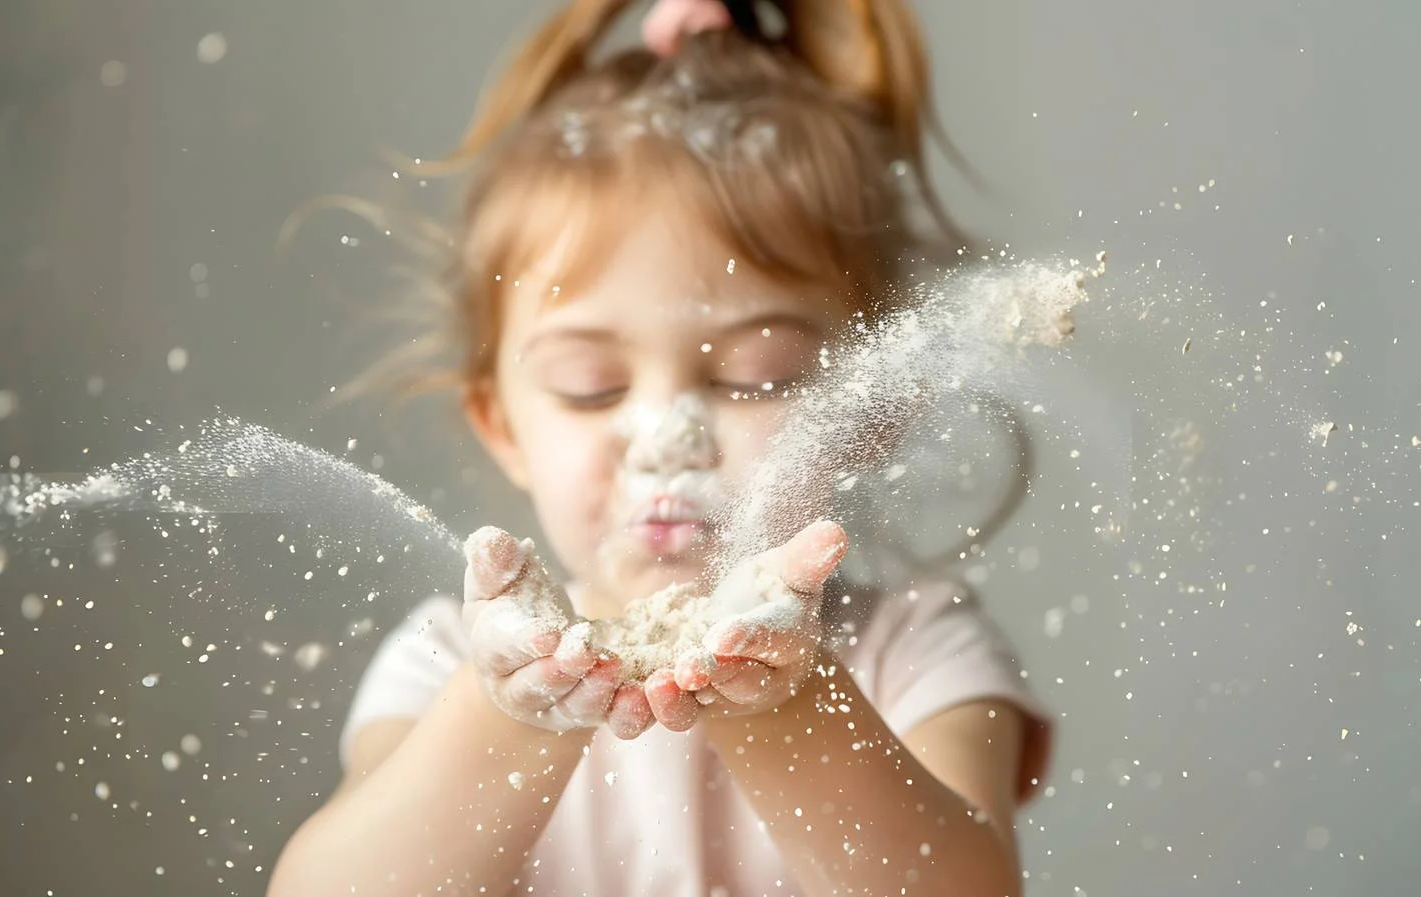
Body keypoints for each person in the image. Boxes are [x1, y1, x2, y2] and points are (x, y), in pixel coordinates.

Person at [269, 1, 1052, 894]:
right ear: (503, 426)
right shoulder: (450, 659)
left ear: (873, 417)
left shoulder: (914, 648)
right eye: (590, 386)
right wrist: (513, 716)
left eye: (757, 376)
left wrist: (787, 706)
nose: (666, 439)